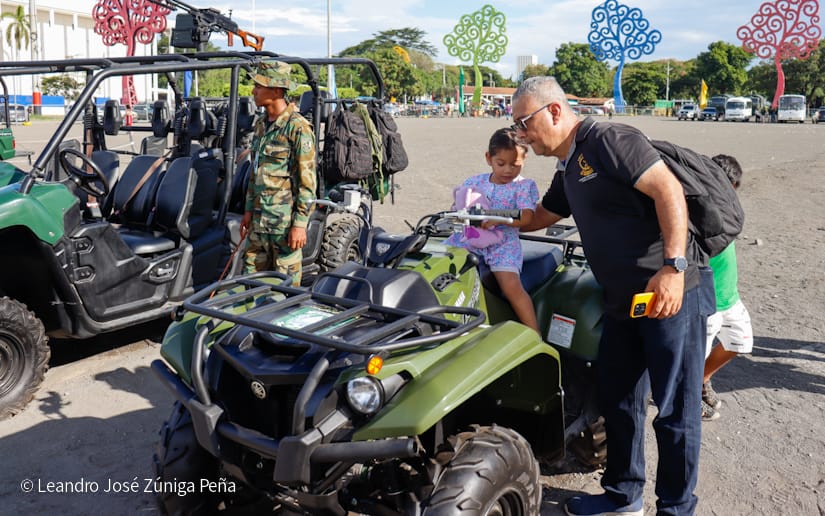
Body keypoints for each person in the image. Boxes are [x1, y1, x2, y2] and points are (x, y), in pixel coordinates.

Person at [512, 76, 713, 516]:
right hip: (623, 302)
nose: (520, 134)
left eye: (524, 122)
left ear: (555, 111)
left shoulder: (609, 139)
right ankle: (624, 496)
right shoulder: (569, 164)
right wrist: (495, 221)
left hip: (670, 296)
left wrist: (674, 268)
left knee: (676, 412)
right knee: (619, 400)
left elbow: (668, 190)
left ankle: (677, 509)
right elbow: (546, 214)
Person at [444, 127, 540, 331]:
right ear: (489, 158)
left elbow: (527, 216)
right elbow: (461, 205)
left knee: (512, 287)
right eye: (501, 164)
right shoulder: (474, 182)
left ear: (524, 160)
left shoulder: (523, 187)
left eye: (515, 165)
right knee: (444, 264)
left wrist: (498, 217)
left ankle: (534, 332)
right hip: (470, 239)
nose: (508, 170)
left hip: (503, 246)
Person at [241, 59, 317, 285]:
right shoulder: (261, 125)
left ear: (275, 90)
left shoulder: (298, 127)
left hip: (284, 225)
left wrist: (300, 225)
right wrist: (248, 210)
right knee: (250, 283)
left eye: (259, 86)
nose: (254, 91)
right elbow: (255, 173)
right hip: (259, 222)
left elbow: (307, 182)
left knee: (286, 288)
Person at [701, 154, 753, 422]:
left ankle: (702, 379)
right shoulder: (698, 209)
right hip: (708, 301)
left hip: (729, 296)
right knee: (694, 354)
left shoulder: (729, 210)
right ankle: (687, 399)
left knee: (740, 341)